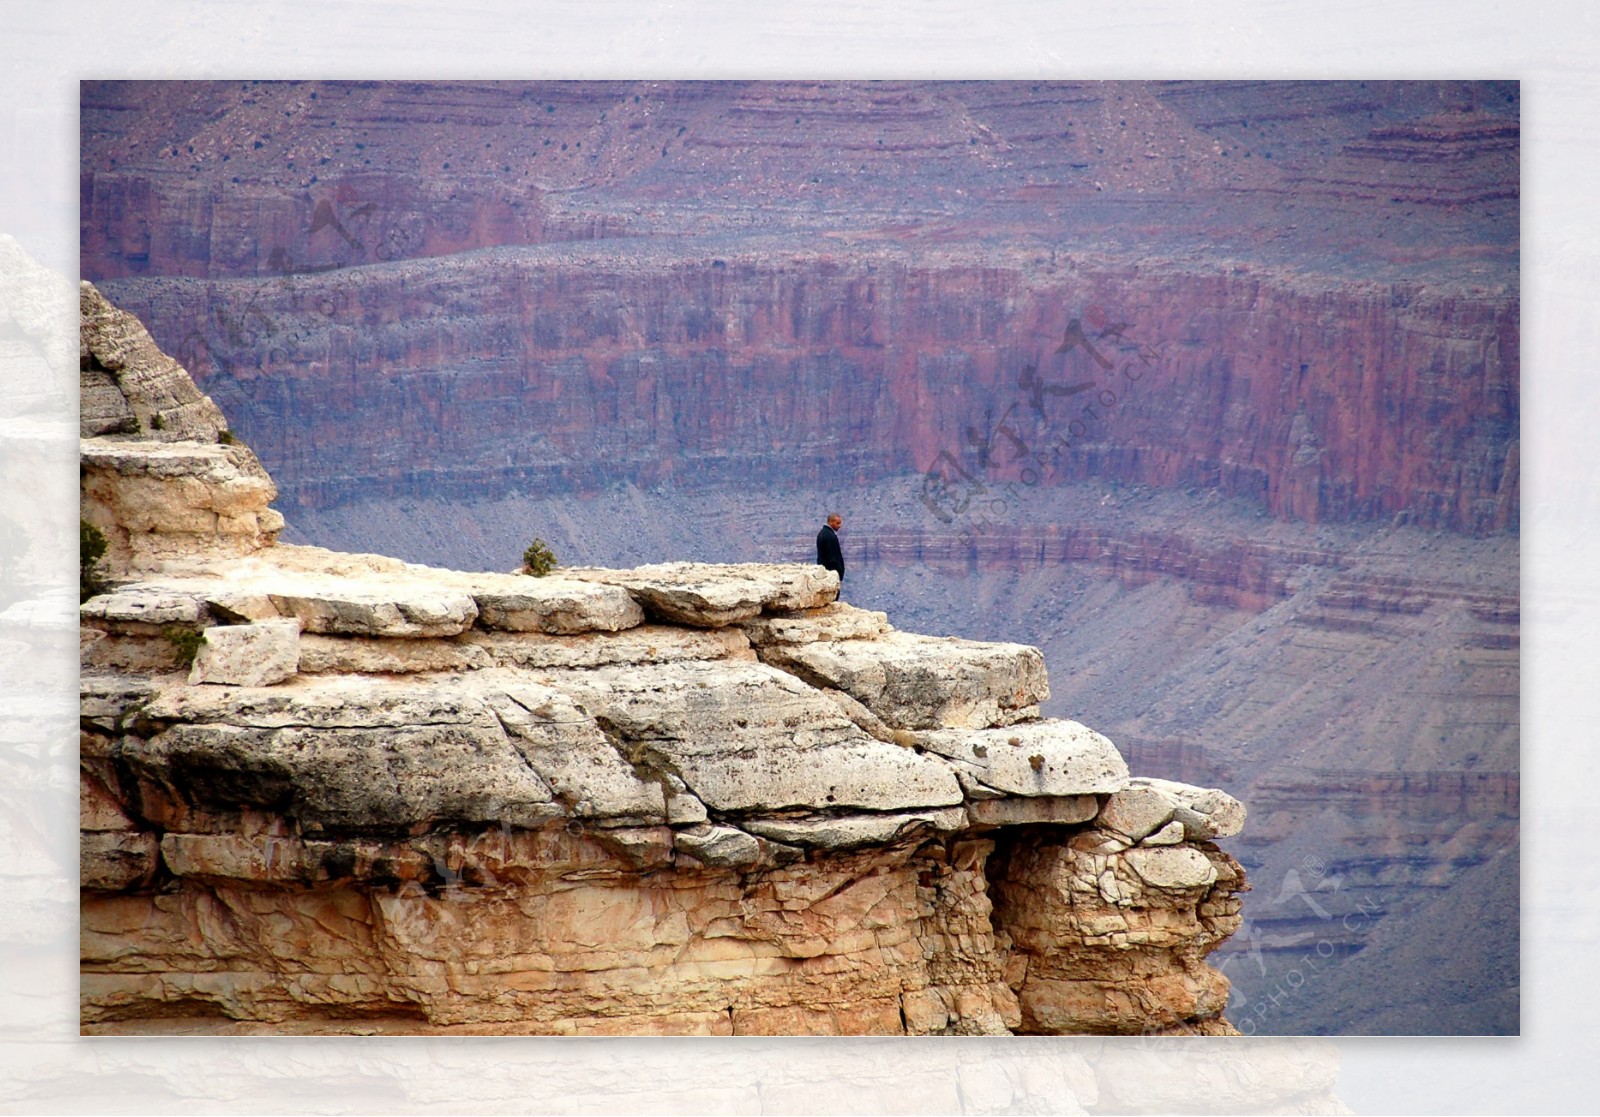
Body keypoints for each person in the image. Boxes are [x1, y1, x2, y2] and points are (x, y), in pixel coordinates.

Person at [816, 513, 844, 583]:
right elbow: (833, 557)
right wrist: (838, 572)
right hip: (830, 575)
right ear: (831, 522)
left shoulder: (822, 533)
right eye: (837, 523)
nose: (839, 526)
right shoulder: (830, 536)